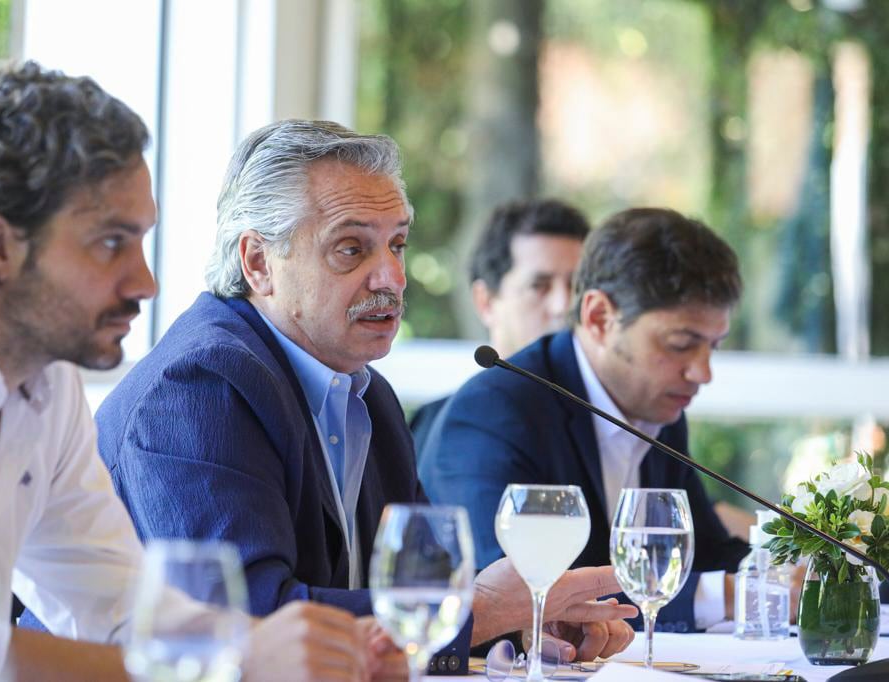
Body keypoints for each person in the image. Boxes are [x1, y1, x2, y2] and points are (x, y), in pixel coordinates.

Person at [0, 60, 381, 682]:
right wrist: (234, 660)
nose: (145, 282)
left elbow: (118, 603)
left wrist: (287, 648)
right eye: (111, 242)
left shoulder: (41, 377)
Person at [95, 119, 638, 674]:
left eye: (397, 245)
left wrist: (519, 627)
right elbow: (251, 622)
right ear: (259, 263)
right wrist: (485, 610)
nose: (391, 278)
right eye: (351, 249)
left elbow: (415, 600)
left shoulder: (367, 394)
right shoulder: (201, 384)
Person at [420, 208, 752, 633]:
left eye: (713, 347)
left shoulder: (658, 406)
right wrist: (726, 595)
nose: (702, 372)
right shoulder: (496, 410)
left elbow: (704, 554)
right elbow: (516, 598)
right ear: (598, 318)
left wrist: (792, 571)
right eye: (681, 344)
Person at [410, 199, 589, 455]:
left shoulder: (618, 421)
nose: (564, 305)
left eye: (577, 286)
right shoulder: (443, 426)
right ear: (486, 302)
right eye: (539, 286)